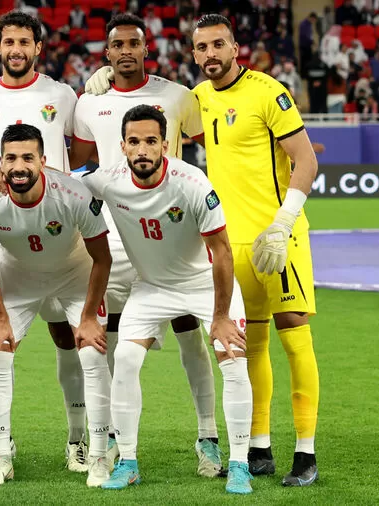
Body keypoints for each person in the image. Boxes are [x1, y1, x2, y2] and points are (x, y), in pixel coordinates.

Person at [70, 13, 225, 478]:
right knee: (114, 342)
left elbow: (216, 148)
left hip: (173, 236)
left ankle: (208, 437)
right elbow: (78, 164)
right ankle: (114, 445)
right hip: (115, 238)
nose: (126, 51)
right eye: (117, 45)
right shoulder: (88, 103)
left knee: (190, 334)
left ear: (146, 48)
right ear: (107, 52)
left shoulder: (177, 96)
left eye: (133, 44)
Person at [79, 105, 253, 494]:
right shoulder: (108, 180)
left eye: (151, 141)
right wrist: (0, 176)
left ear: (165, 144)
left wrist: (221, 316)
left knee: (233, 360)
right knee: (125, 359)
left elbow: (222, 252)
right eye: (134, 142)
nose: (142, 150)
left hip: (204, 285)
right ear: (123, 146)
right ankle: (128, 461)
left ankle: (239, 464)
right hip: (152, 287)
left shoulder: (192, 183)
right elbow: (60, 182)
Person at [191, 14, 320, 487]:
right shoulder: (198, 99)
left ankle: (305, 453)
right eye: (201, 47)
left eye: (217, 44)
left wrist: (284, 222)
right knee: (251, 345)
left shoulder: (269, 92)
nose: (210, 54)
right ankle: (259, 446)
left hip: (279, 238)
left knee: (294, 335)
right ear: (194, 54)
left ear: (234, 47)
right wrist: (109, 85)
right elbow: (156, 113)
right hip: (231, 244)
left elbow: (306, 160)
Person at [0, 10, 89, 473]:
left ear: (38, 48)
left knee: (69, 337)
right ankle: (1, 445)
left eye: (25, 42)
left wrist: (45, 177)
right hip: (5, 238)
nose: (16, 49)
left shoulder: (62, 95)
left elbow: (81, 152)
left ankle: (78, 440)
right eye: (9, 42)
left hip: (60, 234)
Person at [0, 124, 112, 487]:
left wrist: (88, 317)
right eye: (11, 158)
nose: (19, 166)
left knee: (92, 352)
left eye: (28, 158)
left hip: (74, 271)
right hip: (18, 275)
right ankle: (1, 455)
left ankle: (95, 453)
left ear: (43, 161)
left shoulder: (73, 195)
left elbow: (102, 258)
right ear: (0, 162)